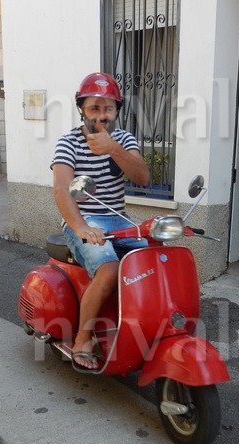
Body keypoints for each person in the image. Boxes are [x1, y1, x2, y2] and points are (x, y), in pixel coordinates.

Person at [50, 72, 151, 371]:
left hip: (120, 219)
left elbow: (143, 178)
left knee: (154, 262)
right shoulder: (68, 142)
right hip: (85, 219)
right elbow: (62, 189)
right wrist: (81, 227)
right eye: (94, 108)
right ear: (82, 109)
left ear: (117, 110)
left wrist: (113, 149)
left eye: (108, 108)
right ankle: (83, 339)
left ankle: (141, 324)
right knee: (109, 270)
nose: (102, 115)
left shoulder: (124, 140)